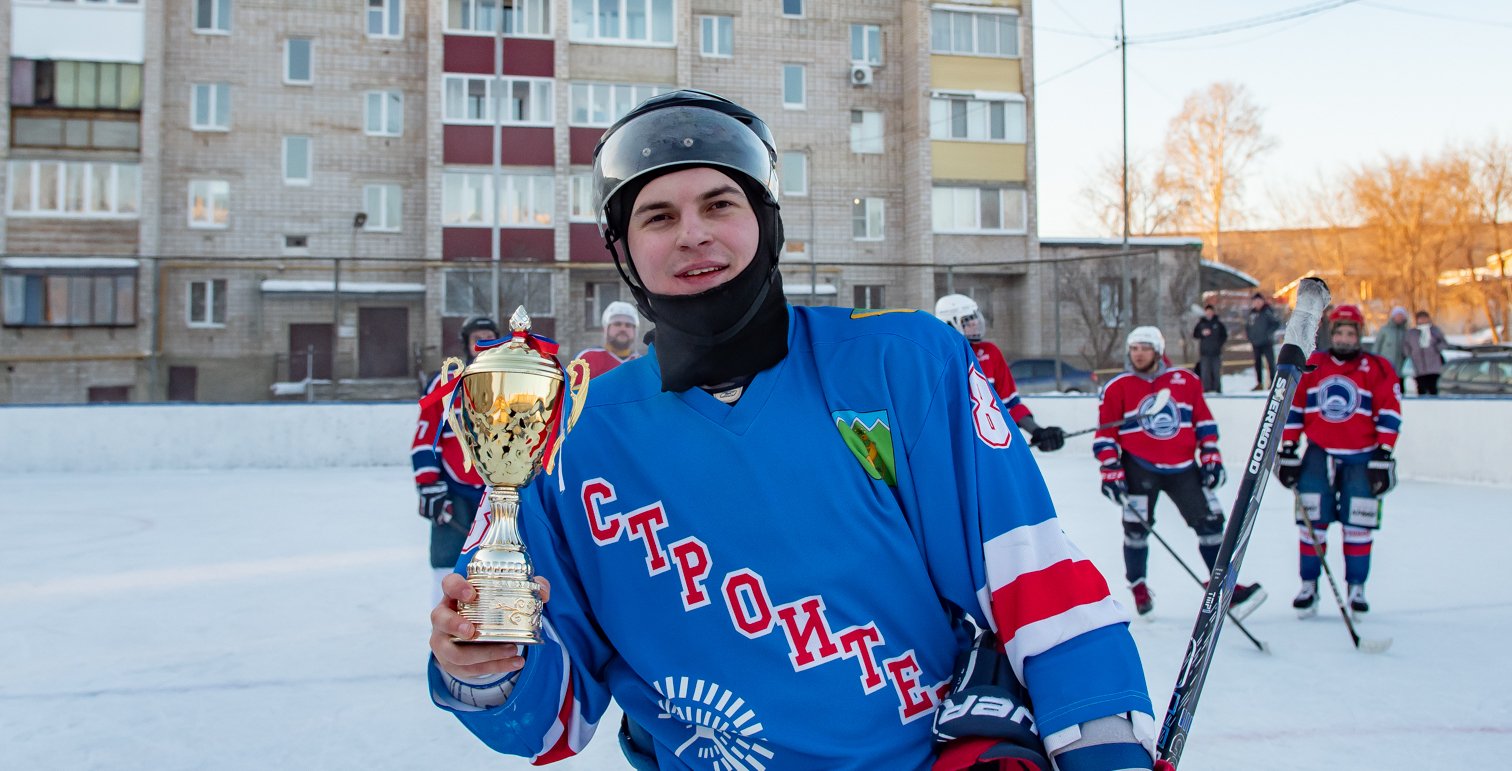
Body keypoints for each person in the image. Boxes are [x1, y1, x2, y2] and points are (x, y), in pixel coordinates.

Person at [426, 91, 1161, 771]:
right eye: (657, 216)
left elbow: (1032, 576)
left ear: (767, 219)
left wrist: (1103, 743)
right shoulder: (570, 438)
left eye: (720, 202)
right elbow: (553, 716)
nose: (694, 234)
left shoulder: (901, 362)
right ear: (624, 250)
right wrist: (485, 669)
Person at [1094, 326, 1266, 619]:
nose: (1138, 354)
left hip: (1183, 467)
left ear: (1158, 351)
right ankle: (1138, 586)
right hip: (1139, 466)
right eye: (1134, 348)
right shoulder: (1117, 387)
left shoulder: (1185, 381)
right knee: (1136, 530)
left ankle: (1223, 586)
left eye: (1145, 348)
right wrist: (1111, 470)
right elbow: (1105, 436)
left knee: (1210, 526)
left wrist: (1211, 455)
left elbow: (1204, 423)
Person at [1275, 305, 1400, 618]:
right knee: (1311, 524)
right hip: (1319, 454)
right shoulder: (1314, 364)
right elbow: (1295, 408)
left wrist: (1384, 454)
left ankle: (1356, 588)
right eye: (1340, 332)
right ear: (1332, 333)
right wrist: (1289, 449)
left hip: (1364, 457)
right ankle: (1308, 586)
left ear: (1359, 335)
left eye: (1351, 333)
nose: (1344, 339)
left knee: (1359, 524)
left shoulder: (1378, 367)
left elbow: (1390, 411)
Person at [413, 316, 495, 604]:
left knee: (497, 570)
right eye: (477, 337)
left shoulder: (509, 383)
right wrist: (428, 485)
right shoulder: (445, 383)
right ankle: (443, 645)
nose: (483, 343)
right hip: (454, 493)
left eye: (489, 336)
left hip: (497, 495)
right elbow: (425, 438)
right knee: (447, 569)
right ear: (465, 344)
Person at [934, 293, 1065, 452]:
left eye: (976, 321)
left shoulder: (990, 353)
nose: (975, 326)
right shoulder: (933, 359)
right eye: (969, 323)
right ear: (949, 324)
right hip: (950, 448)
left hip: (988, 448)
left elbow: (1009, 404)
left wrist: (1037, 431)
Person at [574, 300, 641, 379]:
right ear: (604, 329)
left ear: (635, 331)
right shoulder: (586, 359)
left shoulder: (643, 364)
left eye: (628, 325)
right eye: (617, 324)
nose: (623, 328)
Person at [1402, 309, 1450, 396]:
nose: (1423, 320)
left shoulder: (1435, 331)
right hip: (1418, 366)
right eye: (1421, 318)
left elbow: (1444, 343)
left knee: (1433, 387)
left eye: (1425, 318)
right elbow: (1406, 346)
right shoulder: (1411, 333)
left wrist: (1436, 348)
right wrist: (1409, 354)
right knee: (1421, 388)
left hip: (1433, 366)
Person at [1245, 293, 1281, 391]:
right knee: (1257, 364)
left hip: (1266, 342)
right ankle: (1259, 383)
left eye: (1259, 301)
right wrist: (1250, 336)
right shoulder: (1251, 314)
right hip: (1256, 343)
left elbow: (1276, 323)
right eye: (1255, 301)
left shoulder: (1267, 312)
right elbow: (1247, 326)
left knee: (1270, 362)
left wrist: (1269, 333)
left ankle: (1273, 382)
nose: (1257, 303)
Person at [1373, 306, 1411, 395]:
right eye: (1397, 315)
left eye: (1401, 316)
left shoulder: (1407, 331)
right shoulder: (1385, 330)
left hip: (1401, 366)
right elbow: (1377, 345)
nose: (1399, 318)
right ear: (1393, 317)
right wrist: (1375, 360)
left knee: (1400, 387)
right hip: (1386, 364)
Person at [1192, 304, 1228, 393]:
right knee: (1205, 373)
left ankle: (1217, 389)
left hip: (1216, 353)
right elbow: (1195, 334)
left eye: (1210, 311)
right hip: (1204, 353)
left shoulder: (1218, 324)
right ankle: (1206, 389)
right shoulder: (1201, 323)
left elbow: (1224, 336)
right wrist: (1202, 333)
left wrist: (1218, 344)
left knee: (1216, 372)